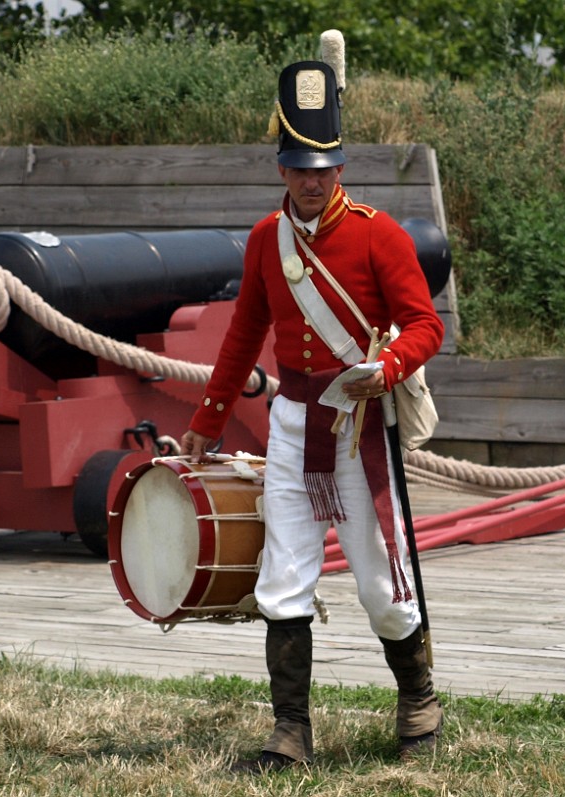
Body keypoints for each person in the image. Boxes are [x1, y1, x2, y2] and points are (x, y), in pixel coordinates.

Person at [180, 49, 444, 774]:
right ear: (281, 170)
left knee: (377, 584)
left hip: (357, 425)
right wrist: (207, 418)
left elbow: (426, 325)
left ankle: (419, 697)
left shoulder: (377, 234)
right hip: (294, 425)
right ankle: (289, 732)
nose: (309, 181)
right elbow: (242, 336)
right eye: (298, 168)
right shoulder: (268, 240)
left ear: (340, 171)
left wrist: (384, 368)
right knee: (282, 578)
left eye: (321, 170)